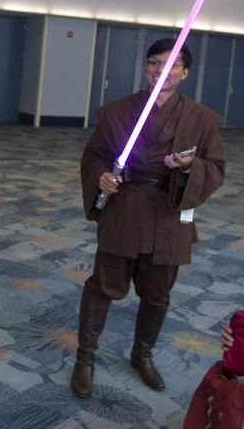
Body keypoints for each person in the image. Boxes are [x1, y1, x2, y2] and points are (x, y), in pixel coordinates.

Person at [71, 38, 226, 399]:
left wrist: (192, 166)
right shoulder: (119, 111)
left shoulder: (201, 119)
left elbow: (216, 167)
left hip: (171, 210)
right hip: (127, 204)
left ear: (184, 73)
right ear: (146, 67)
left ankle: (143, 355)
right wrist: (102, 176)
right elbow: (94, 156)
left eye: (172, 65)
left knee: (157, 295)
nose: (162, 70)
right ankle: (86, 358)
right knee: (104, 286)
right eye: (155, 62)